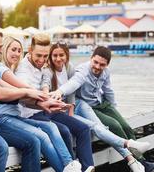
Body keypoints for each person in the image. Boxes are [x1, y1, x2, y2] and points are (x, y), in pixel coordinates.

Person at [50, 46, 154, 172]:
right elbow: (74, 83)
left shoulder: (98, 71)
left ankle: (141, 161)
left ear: (107, 64)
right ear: (91, 58)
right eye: (95, 62)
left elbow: (108, 90)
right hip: (86, 105)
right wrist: (59, 92)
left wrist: (114, 109)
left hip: (100, 103)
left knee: (125, 126)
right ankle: (137, 161)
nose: (97, 66)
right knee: (113, 125)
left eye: (102, 64)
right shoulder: (81, 70)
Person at [0, 36, 82, 172]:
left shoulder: (11, 70)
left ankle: (69, 166)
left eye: (19, 50)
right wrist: (49, 99)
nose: (17, 53)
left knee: (48, 129)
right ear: (4, 49)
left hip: (13, 117)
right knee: (40, 137)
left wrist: (46, 104)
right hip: (1, 119)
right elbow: (26, 90)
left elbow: (22, 97)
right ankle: (68, 168)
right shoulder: (2, 70)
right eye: (13, 49)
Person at [14, 34, 95, 172]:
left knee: (83, 128)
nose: (42, 60)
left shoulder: (44, 64)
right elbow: (24, 97)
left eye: (45, 56)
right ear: (30, 50)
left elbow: (48, 82)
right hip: (30, 113)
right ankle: (70, 167)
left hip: (46, 109)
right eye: (38, 55)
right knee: (63, 130)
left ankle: (85, 167)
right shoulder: (22, 70)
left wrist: (59, 103)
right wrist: (48, 101)